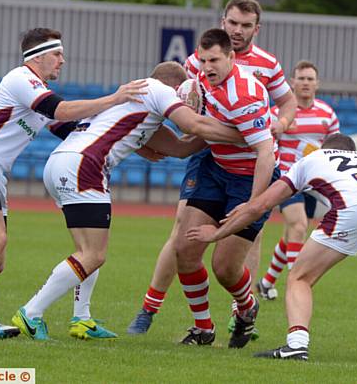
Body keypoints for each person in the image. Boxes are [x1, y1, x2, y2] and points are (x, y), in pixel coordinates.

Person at [0, 27, 148, 338]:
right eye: (57, 54)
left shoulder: (37, 89)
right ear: (38, 56)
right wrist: (115, 98)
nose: (63, 60)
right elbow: (60, 110)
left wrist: (136, 138)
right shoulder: (22, 80)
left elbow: (69, 127)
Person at [12, 61, 245, 342]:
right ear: (174, 87)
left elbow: (182, 149)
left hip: (61, 162)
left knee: (85, 251)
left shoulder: (136, 103)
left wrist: (214, 139)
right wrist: (245, 133)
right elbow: (192, 124)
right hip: (85, 167)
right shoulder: (157, 89)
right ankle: (31, 312)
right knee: (93, 255)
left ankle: (82, 319)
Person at [187, 133, 357, 363]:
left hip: (351, 211)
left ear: (324, 149)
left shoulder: (313, 159)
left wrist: (217, 233)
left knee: (300, 277)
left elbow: (260, 205)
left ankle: (296, 344)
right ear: (355, 152)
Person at [127, 0, 297, 336]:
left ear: (255, 30)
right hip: (212, 158)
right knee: (184, 239)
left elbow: (278, 119)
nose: (237, 30)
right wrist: (141, 140)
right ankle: (177, 318)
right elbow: (181, 105)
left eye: (245, 25)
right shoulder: (198, 65)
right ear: (222, 22)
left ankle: (243, 310)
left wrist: (276, 126)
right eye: (232, 23)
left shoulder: (259, 75)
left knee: (226, 261)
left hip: (251, 166)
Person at [163, 28, 277, 349]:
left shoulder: (245, 95)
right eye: (203, 60)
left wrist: (254, 204)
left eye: (214, 60)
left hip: (249, 177)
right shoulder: (198, 75)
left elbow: (266, 153)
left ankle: (246, 306)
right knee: (184, 249)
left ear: (231, 57)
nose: (207, 66)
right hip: (216, 168)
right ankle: (203, 329)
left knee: (225, 268)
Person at [256, 60, 339, 300]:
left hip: (314, 182)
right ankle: (296, 281)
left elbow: (334, 150)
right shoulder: (279, 113)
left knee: (293, 232)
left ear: (317, 83)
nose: (305, 83)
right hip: (287, 179)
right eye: (301, 78)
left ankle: (266, 282)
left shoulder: (327, 114)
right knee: (300, 225)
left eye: (310, 79)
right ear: (292, 82)